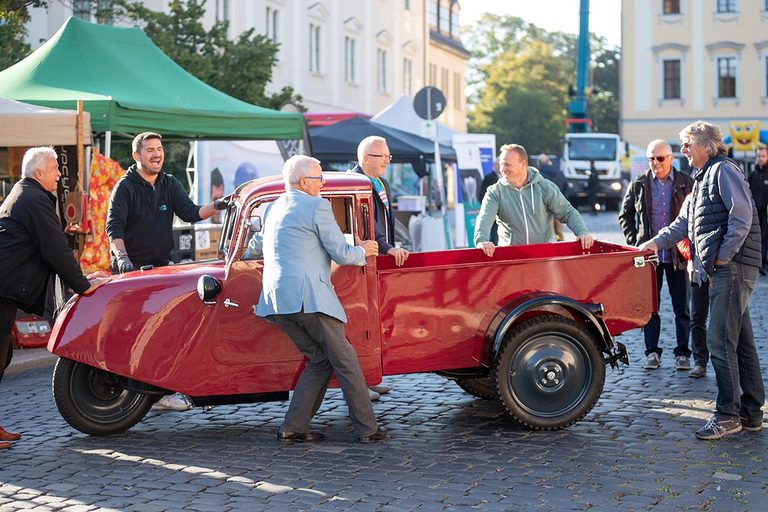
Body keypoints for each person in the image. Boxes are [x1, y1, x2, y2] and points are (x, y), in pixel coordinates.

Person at [640, 121, 765, 440]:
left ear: (706, 145)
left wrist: (722, 256)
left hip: (733, 267)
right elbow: (683, 224)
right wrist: (655, 242)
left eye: (686, 144)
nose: (682, 151)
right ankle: (751, 412)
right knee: (741, 341)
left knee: (719, 340)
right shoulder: (703, 178)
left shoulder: (723, 170)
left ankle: (727, 414)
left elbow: (743, 217)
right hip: (727, 267)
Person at [256, 155, 387, 444]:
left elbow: (262, 244)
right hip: (308, 297)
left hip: (276, 300)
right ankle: (368, 429)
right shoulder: (317, 205)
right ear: (305, 182)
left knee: (318, 359)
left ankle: (294, 427)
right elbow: (341, 253)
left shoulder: (273, 208)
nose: (323, 184)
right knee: (347, 361)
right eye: (319, 179)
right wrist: (365, 249)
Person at [106, 132, 227, 410]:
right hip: (131, 273)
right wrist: (122, 257)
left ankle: (159, 394)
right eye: (150, 150)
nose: (156, 154)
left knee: (158, 332)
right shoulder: (125, 187)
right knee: (130, 335)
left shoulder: (169, 183)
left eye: (159, 149)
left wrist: (219, 205)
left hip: (160, 271)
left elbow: (191, 213)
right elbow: (114, 227)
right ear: (137, 156)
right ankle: (126, 394)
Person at [0, 147, 96, 449]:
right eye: (55, 169)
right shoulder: (34, 199)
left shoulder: (26, 194)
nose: (59, 174)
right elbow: (55, 251)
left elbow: (43, 240)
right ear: (40, 172)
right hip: (3, 289)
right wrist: (83, 286)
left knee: (3, 357)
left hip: (6, 288)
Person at [619, 139, 694, 371]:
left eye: (660, 158)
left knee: (681, 308)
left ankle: (683, 353)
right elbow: (626, 215)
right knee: (650, 308)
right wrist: (636, 243)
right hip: (649, 260)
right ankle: (652, 352)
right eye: (651, 158)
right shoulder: (639, 184)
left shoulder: (685, 183)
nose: (655, 163)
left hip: (677, 257)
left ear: (671, 158)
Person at [350, 136, 408, 400]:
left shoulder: (380, 182)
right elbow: (367, 225)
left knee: (374, 323)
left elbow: (385, 221)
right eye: (381, 156)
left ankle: (370, 377)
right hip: (359, 263)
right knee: (359, 325)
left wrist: (391, 246)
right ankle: (359, 383)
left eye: (388, 156)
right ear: (365, 159)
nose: (387, 160)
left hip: (378, 258)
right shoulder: (354, 184)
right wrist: (387, 248)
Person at [474, 144, 594, 256]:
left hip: (544, 256)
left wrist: (582, 232)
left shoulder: (544, 186)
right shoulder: (495, 191)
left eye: (507, 165)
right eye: (501, 164)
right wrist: (482, 240)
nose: (502, 169)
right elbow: (485, 218)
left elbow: (567, 212)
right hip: (513, 257)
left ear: (523, 164)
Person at [537, 153, 567, 240]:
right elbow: (567, 188)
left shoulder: (539, 176)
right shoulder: (560, 173)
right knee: (560, 231)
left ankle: (553, 250)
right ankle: (562, 247)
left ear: (539, 164)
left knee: (550, 233)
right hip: (559, 205)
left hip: (545, 207)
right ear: (549, 162)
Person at [747, 147, 768, 275]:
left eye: (763, 156)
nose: (760, 158)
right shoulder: (753, 175)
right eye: (759, 156)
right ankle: (760, 264)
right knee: (758, 238)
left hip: (766, 213)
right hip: (755, 213)